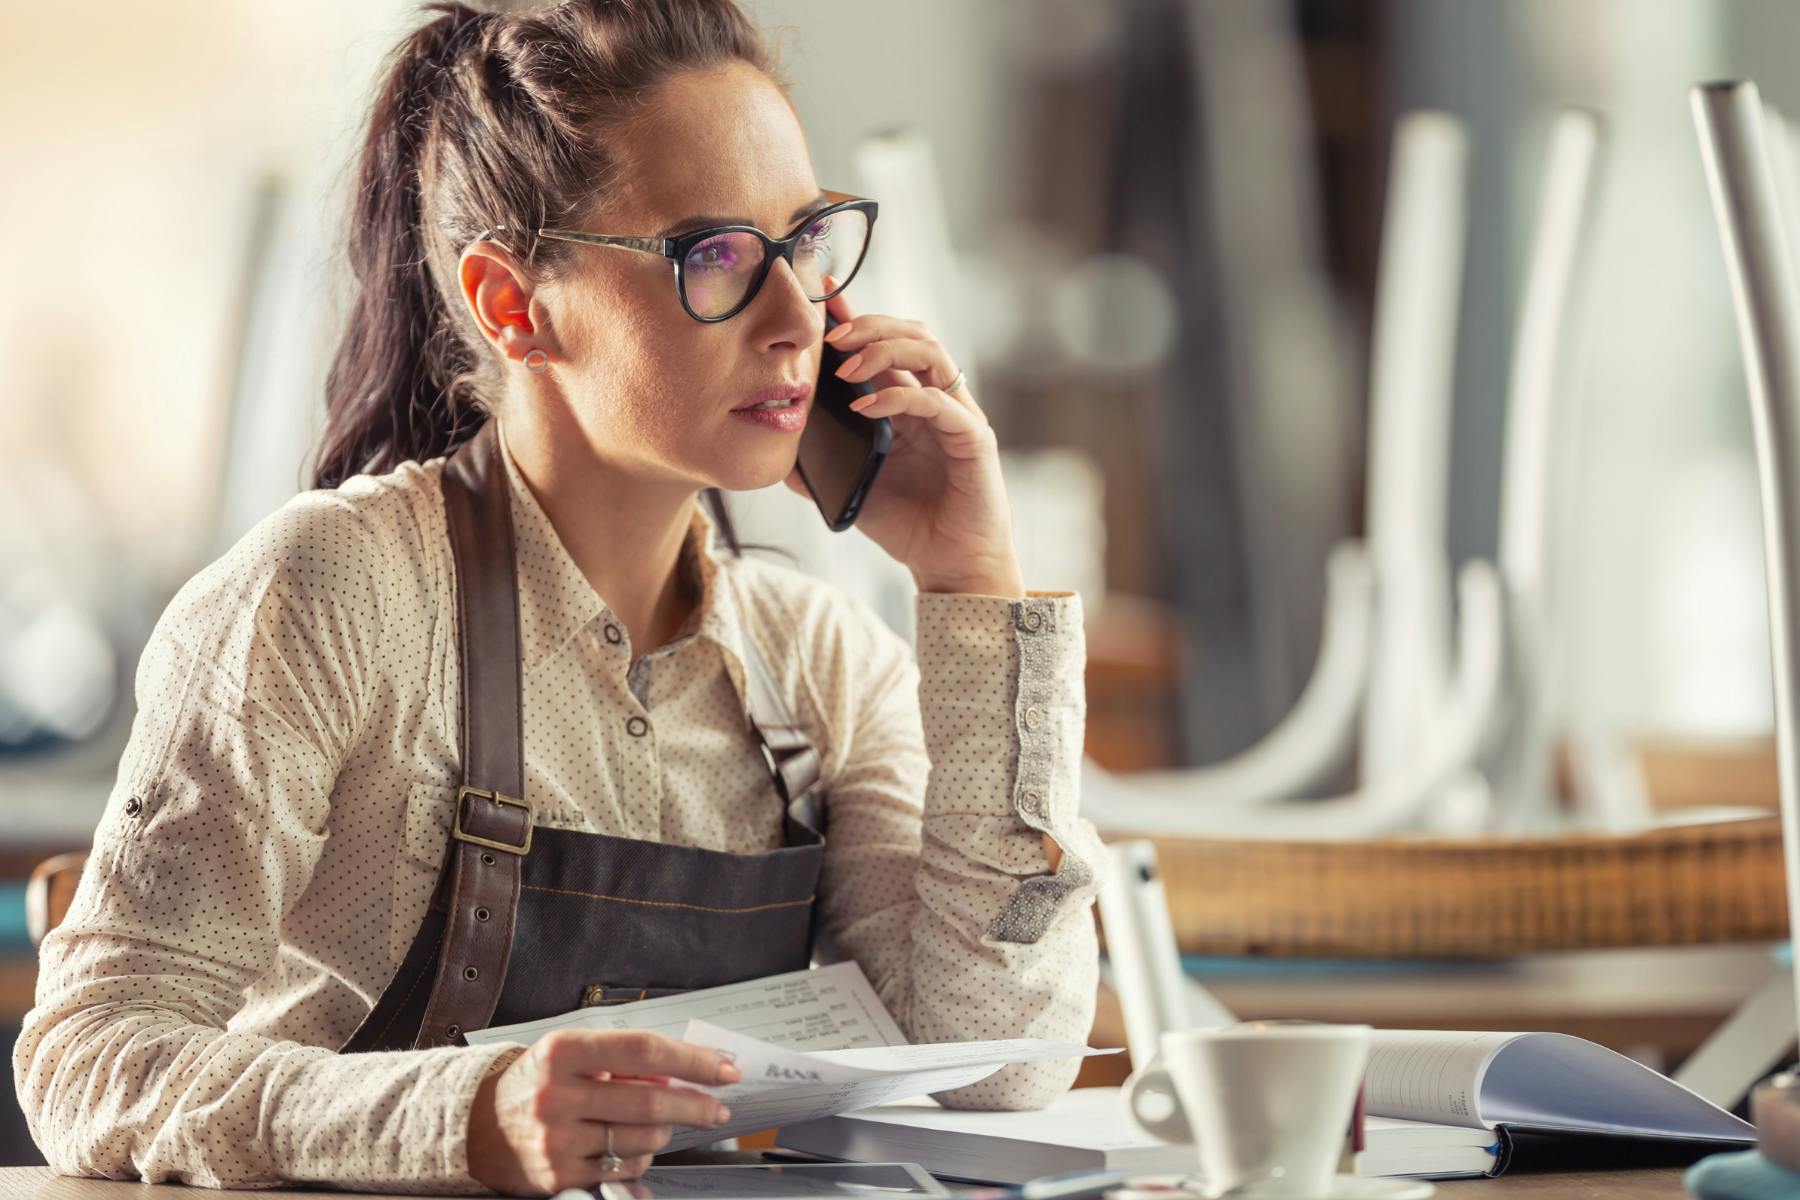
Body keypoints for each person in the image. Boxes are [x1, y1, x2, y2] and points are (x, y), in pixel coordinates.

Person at [12, 0, 1106, 1195]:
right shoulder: (329, 596)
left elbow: (1004, 1059)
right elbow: (89, 1060)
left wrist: (971, 584)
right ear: (511, 302)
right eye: (716, 255)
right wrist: (463, 1118)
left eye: (802, 243)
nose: (799, 318)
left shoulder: (818, 660)